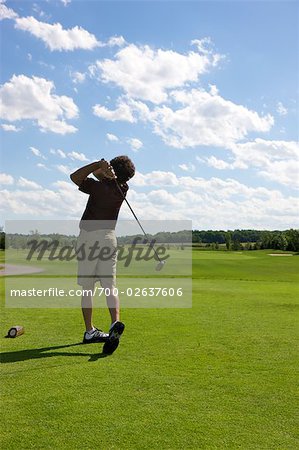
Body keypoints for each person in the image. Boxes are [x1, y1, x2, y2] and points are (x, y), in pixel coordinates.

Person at [70, 156, 135, 351]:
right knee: (110, 286)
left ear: (113, 171)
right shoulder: (123, 188)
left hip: (90, 237)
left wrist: (96, 165)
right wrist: (105, 170)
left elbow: (74, 177)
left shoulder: (98, 188)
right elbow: (102, 177)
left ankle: (90, 331)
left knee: (88, 288)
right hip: (109, 238)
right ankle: (115, 323)